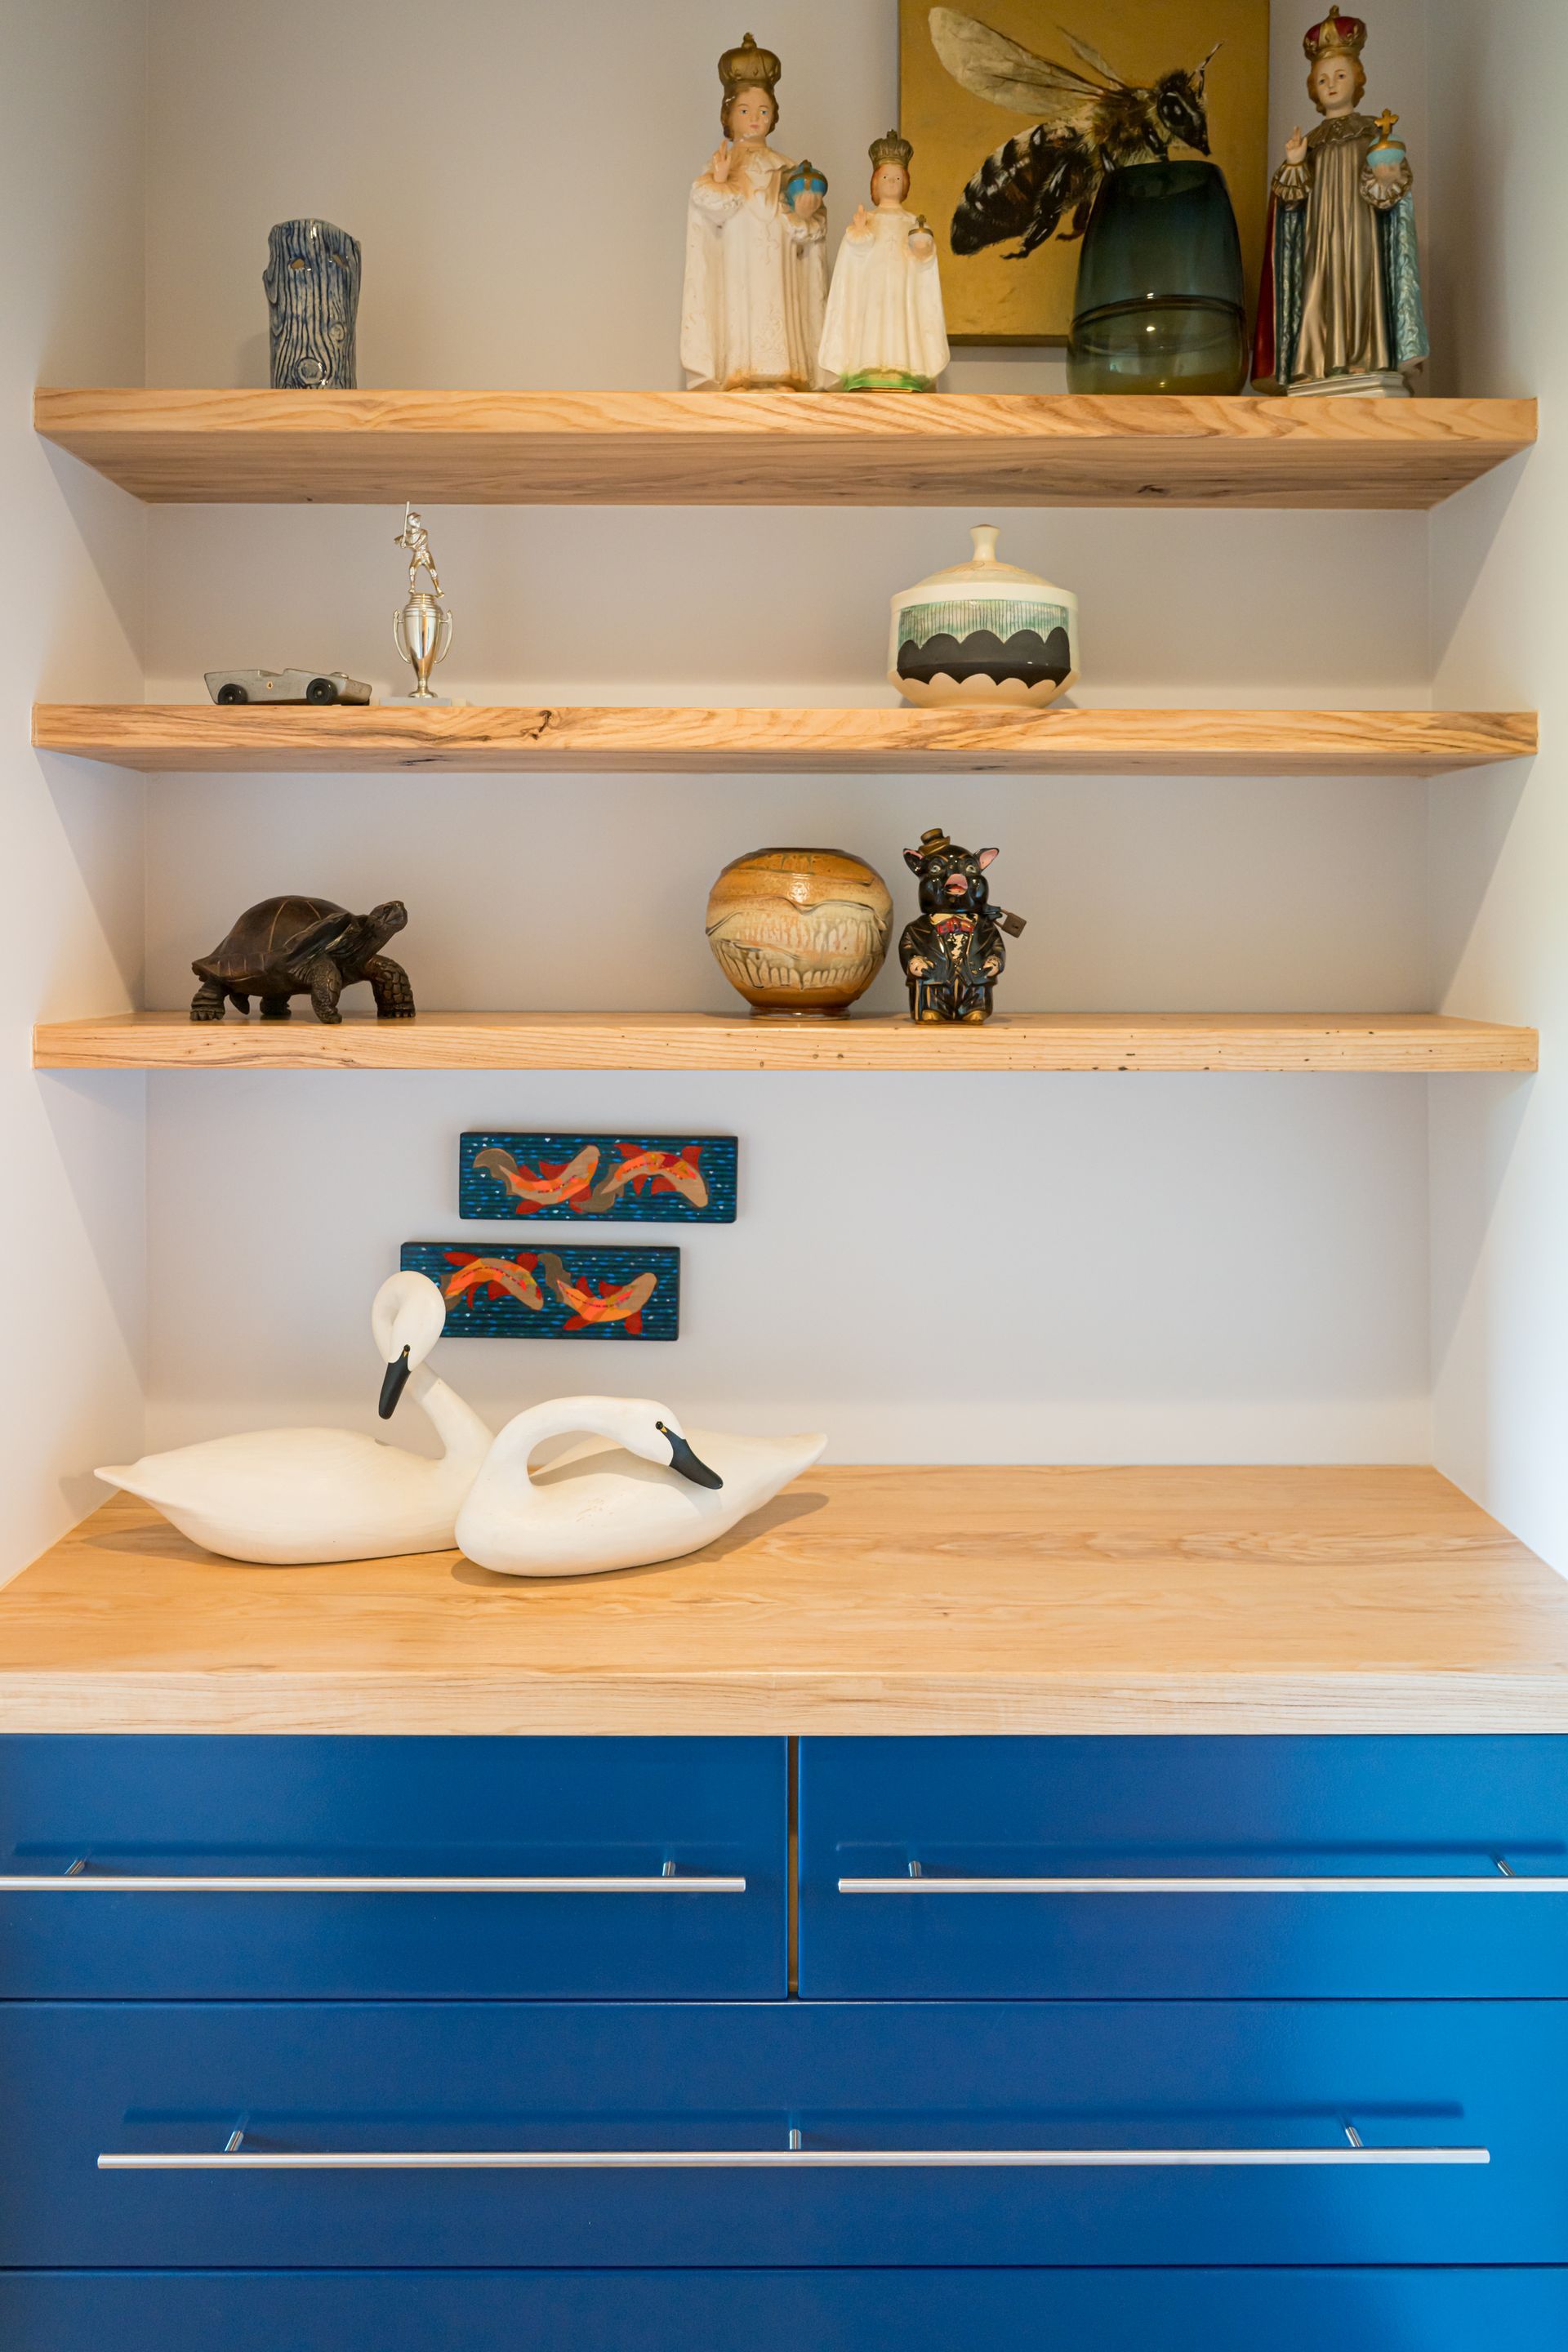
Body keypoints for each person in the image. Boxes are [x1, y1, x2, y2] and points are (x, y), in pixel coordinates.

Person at [1254, 9, 1428, 396]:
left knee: (1363, 283)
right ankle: (1313, 365)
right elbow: (1290, 205)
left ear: (1357, 79)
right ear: (1312, 88)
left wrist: (1385, 179)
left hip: (1360, 228)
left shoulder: (1372, 133)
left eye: (1340, 75)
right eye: (1322, 79)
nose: (1331, 85)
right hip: (1319, 234)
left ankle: (1366, 357)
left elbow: (1387, 192)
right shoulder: (1309, 143)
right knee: (1316, 288)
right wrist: (1296, 164)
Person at [680, 33, 829, 391]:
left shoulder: (789, 167)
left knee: (780, 308)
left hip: (779, 264)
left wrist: (807, 215)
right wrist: (719, 181)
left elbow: (809, 230)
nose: (754, 119)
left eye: (763, 111)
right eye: (745, 111)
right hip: (737, 260)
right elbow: (708, 209)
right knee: (739, 310)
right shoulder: (722, 165)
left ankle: (784, 377)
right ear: (728, 116)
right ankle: (739, 375)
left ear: (773, 116)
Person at [818, 131, 949, 392]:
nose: (892, 182)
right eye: (886, 177)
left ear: (906, 184)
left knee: (900, 322)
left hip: (902, 291)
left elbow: (925, 264)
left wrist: (923, 252)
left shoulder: (913, 222)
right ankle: (867, 366)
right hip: (873, 291)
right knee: (874, 322)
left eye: (897, 178)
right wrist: (859, 233)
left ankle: (903, 369)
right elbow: (853, 257)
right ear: (875, 183)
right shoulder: (868, 219)